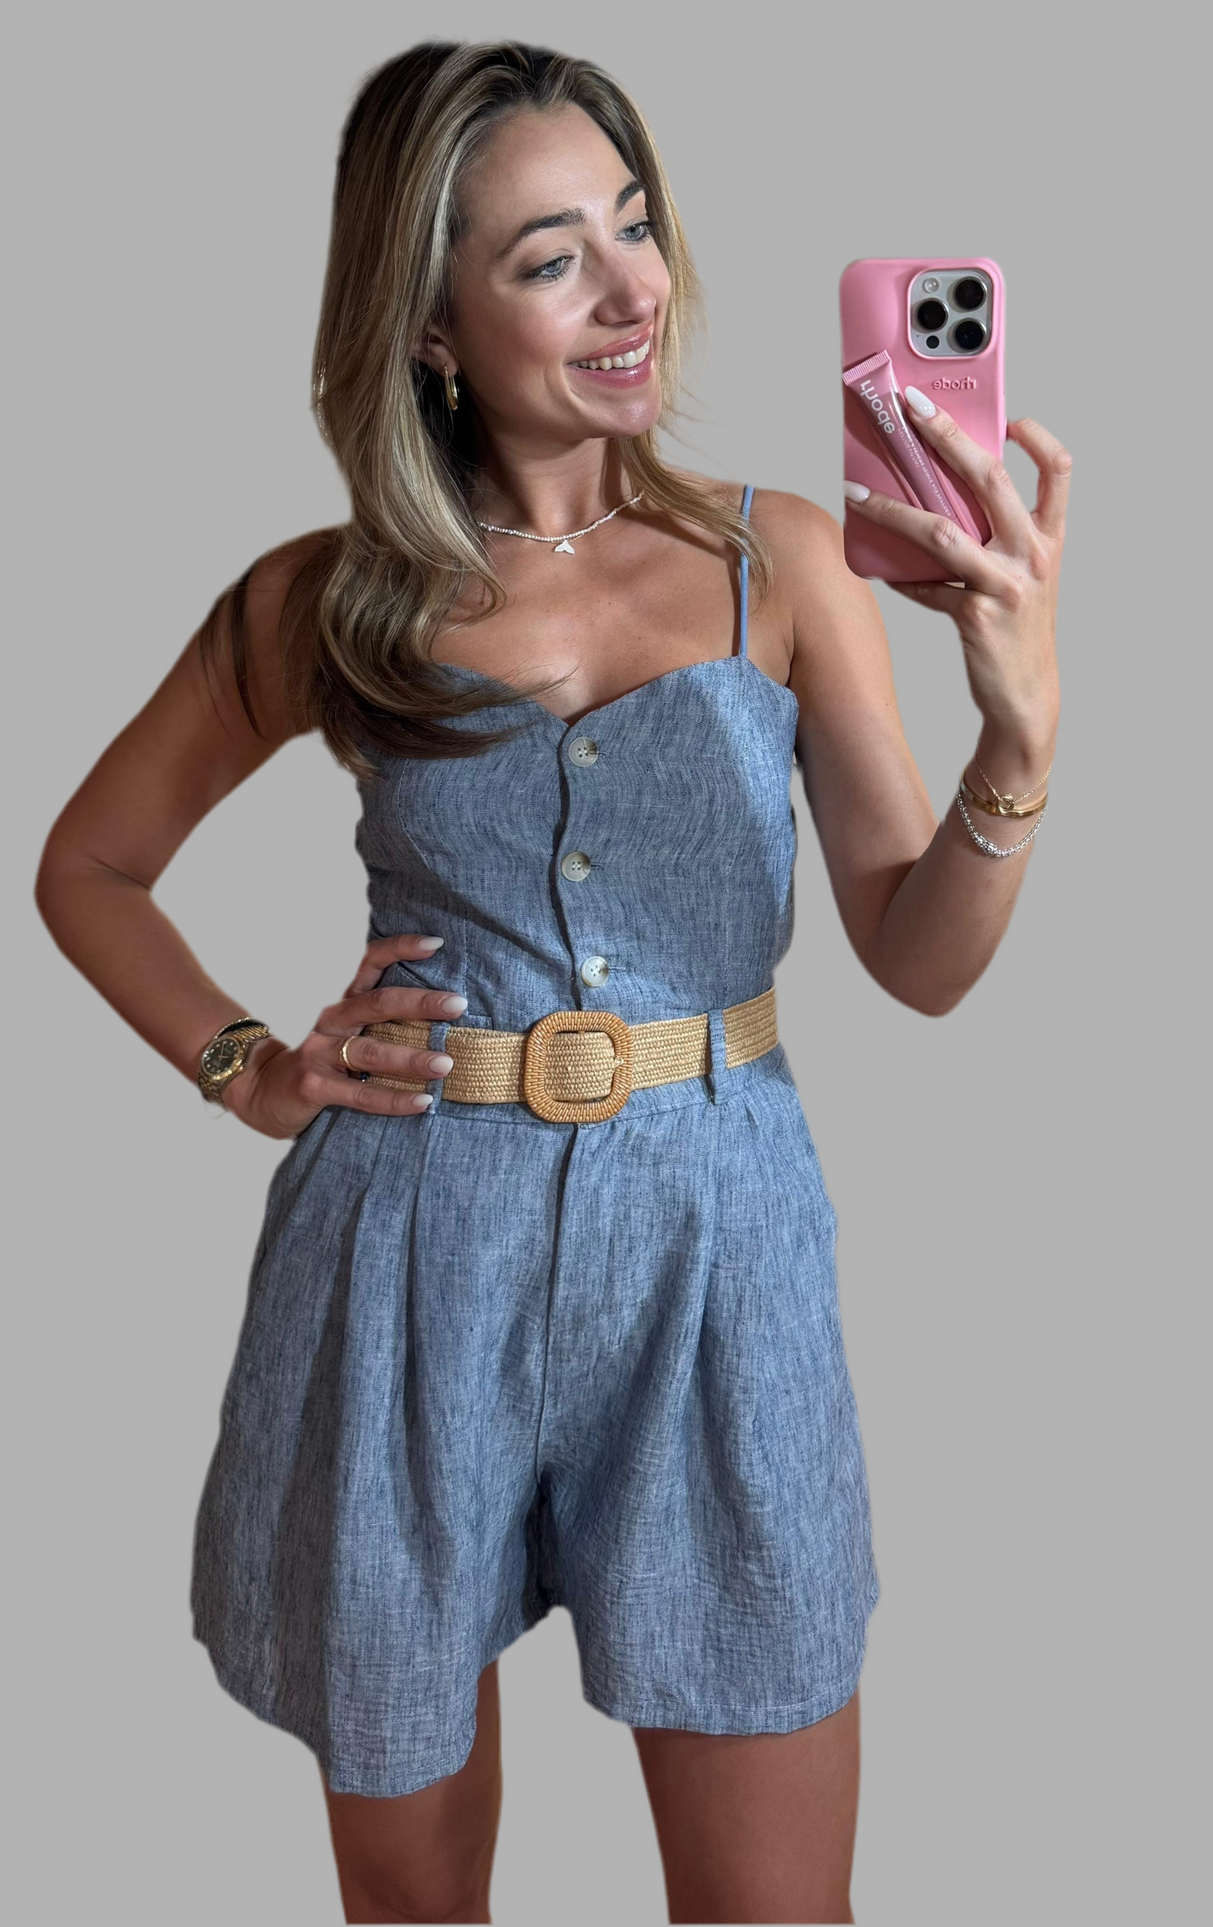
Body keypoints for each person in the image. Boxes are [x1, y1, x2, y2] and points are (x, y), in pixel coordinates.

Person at [35, 39, 1070, 1927]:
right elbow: (87, 865)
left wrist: (1019, 735)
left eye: (636, 224)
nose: (631, 287)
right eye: (549, 256)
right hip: (408, 1251)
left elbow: (918, 960)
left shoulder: (785, 561)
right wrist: (250, 1065)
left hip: (718, 1253)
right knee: (417, 1907)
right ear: (430, 325)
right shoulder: (329, 599)